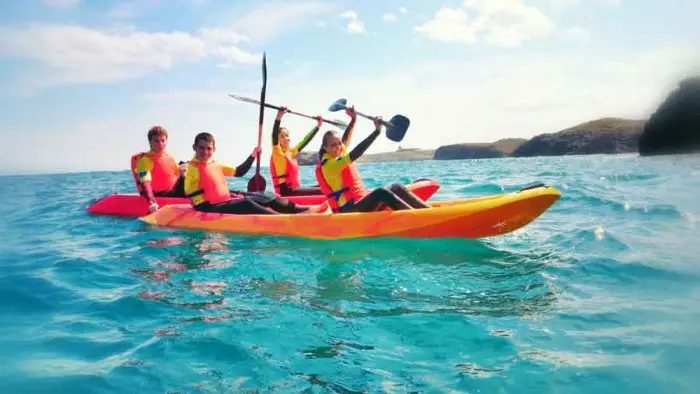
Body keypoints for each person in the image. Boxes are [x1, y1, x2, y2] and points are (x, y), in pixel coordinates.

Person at [315, 117, 431, 213]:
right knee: (381, 192)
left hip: (359, 201)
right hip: (348, 209)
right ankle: (416, 218)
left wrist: (353, 119)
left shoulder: (338, 153)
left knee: (397, 187)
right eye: (333, 145)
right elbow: (357, 152)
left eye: (339, 143)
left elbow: (346, 140)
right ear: (326, 148)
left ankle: (428, 212)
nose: (338, 147)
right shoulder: (330, 165)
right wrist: (376, 132)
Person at [184, 132, 318, 215]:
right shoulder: (192, 168)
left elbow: (239, 172)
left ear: (214, 149)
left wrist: (253, 155)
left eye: (209, 148)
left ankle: (301, 210)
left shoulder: (215, 164)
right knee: (246, 203)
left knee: (266, 195)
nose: (205, 152)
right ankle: (283, 218)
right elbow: (189, 192)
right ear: (194, 147)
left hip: (224, 201)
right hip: (207, 207)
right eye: (201, 148)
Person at [270, 107, 324, 196]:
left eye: (287, 135)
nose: (285, 138)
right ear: (278, 140)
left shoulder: (291, 152)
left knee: (323, 185)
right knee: (323, 190)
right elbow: (274, 136)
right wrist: (279, 116)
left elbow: (305, 141)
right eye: (282, 136)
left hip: (294, 189)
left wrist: (318, 126)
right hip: (285, 191)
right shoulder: (277, 152)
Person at [131, 126, 185, 213]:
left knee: (186, 169)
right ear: (150, 142)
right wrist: (152, 202)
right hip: (158, 195)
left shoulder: (170, 157)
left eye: (163, 140)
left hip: (173, 192)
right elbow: (145, 183)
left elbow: (181, 175)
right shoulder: (145, 160)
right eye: (156, 141)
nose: (160, 144)